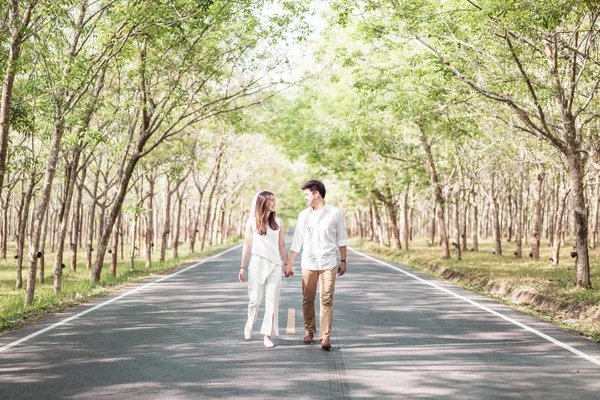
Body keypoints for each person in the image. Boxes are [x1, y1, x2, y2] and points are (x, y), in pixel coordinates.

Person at [285, 180, 347, 351]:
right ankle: (309, 330)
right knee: (308, 298)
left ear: (316, 194)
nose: (305, 198)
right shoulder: (304, 215)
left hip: (329, 262)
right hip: (309, 262)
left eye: (306, 194)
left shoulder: (335, 213)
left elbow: (341, 238)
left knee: (326, 299)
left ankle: (325, 336)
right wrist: (290, 263)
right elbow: (297, 241)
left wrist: (343, 260)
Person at [239, 191, 289, 348]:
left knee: (272, 302)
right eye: (271, 201)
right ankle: (249, 323)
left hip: (275, 265)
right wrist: (242, 267)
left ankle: (267, 336)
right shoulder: (252, 222)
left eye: (275, 200)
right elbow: (247, 245)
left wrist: (287, 263)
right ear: (263, 203)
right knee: (255, 300)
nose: (274, 203)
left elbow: (281, 246)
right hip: (256, 264)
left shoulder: (279, 223)